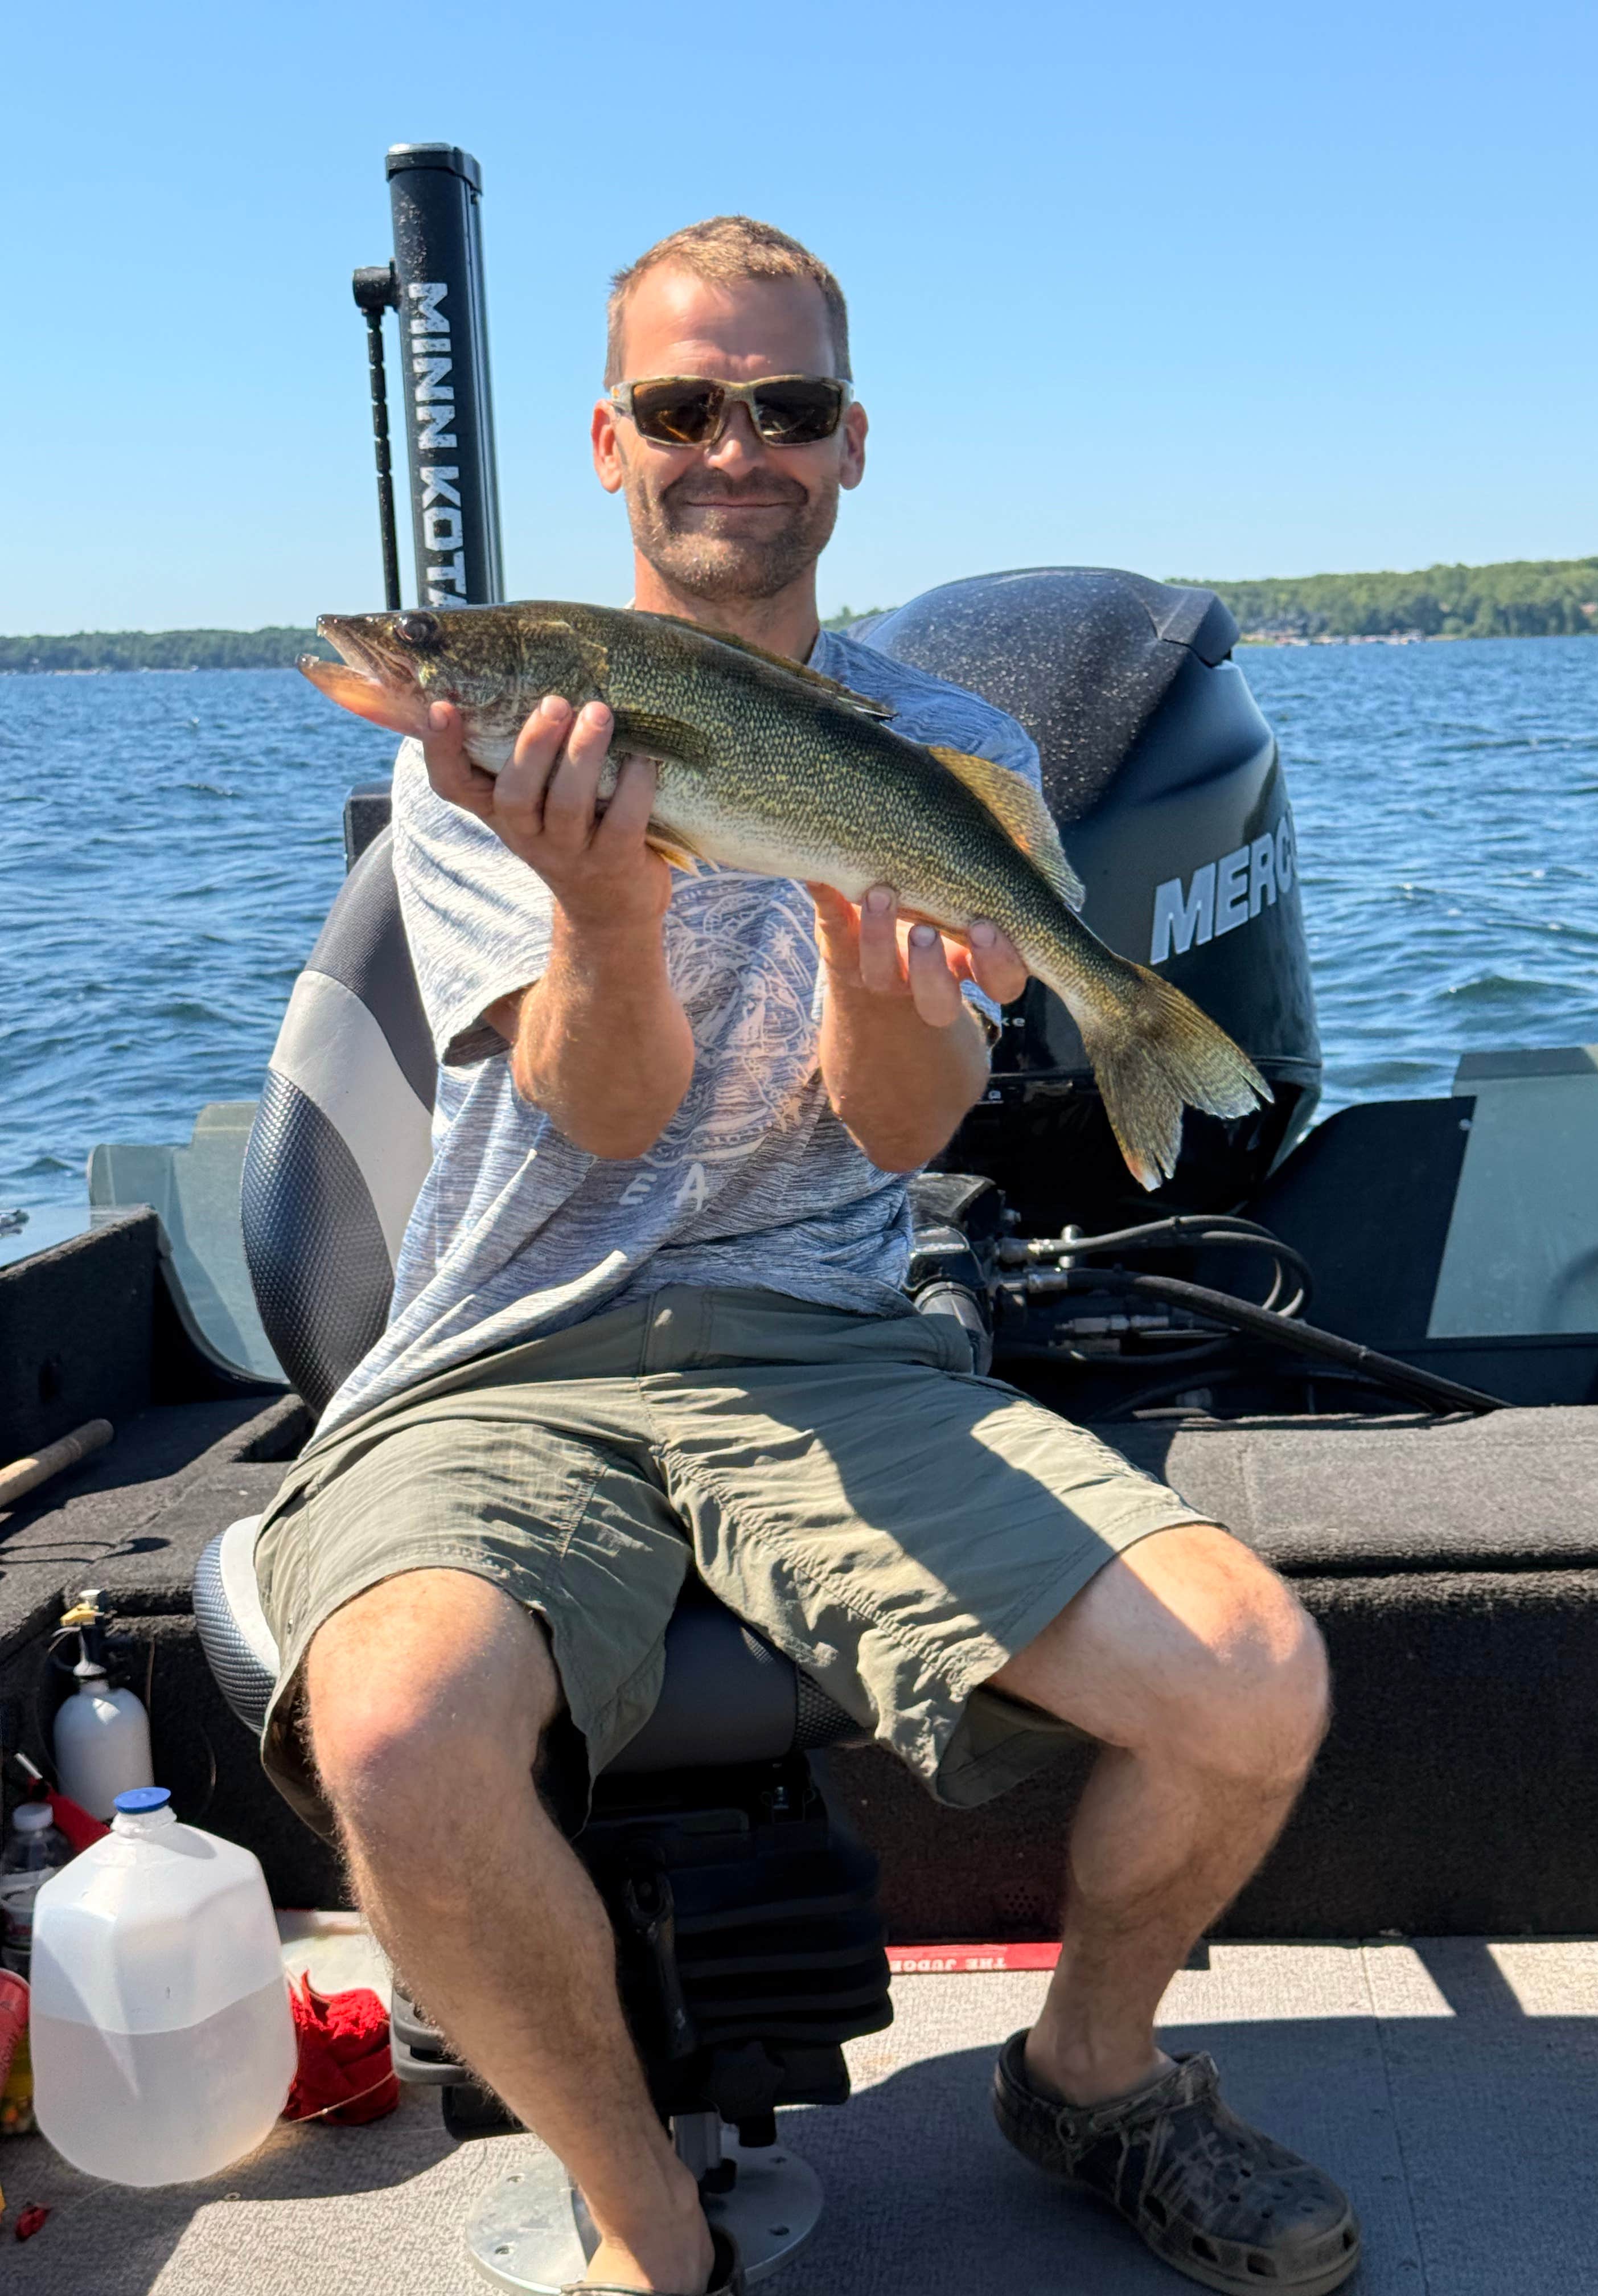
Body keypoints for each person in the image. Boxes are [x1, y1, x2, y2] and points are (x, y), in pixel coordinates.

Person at [252, 216, 1358, 2296]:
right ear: (613, 442)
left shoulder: (957, 751)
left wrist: (893, 960)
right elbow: (595, 1117)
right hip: (512, 1349)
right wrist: (602, 912)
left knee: (1255, 1677)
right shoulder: (481, 762)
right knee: (392, 1736)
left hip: (828, 1334)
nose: (733, 448)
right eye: (686, 408)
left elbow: (902, 1134)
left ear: (852, 445)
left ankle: (1091, 2075)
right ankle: (648, 2230)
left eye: (782, 409)